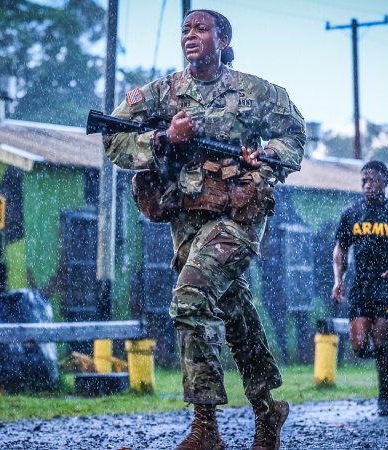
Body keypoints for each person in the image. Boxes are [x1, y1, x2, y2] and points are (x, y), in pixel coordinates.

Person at [102, 9, 306, 450]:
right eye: (185, 29)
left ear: (223, 38)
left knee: (189, 299)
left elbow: (294, 136)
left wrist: (265, 154)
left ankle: (205, 427)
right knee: (235, 313)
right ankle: (267, 408)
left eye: (201, 28)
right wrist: (162, 139)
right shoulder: (164, 92)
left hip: (238, 219)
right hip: (188, 221)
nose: (190, 36)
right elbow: (114, 138)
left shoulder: (256, 92)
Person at [330, 160, 388, 417]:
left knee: (380, 337)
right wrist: (338, 280)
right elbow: (340, 250)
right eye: (364, 181)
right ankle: (387, 357)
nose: (367, 185)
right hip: (362, 286)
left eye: (372, 180)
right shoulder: (351, 214)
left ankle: (384, 398)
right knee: (360, 347)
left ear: (385, 182)